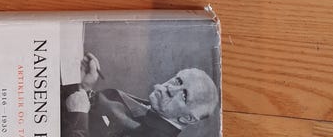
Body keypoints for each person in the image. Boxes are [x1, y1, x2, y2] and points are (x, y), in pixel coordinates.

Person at [62, 53, 219, 137]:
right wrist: (85, 86)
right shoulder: (154, 110)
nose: (171, 88)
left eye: (184, 95)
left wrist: (78, 115)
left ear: (187, 118)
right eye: (178, 81)